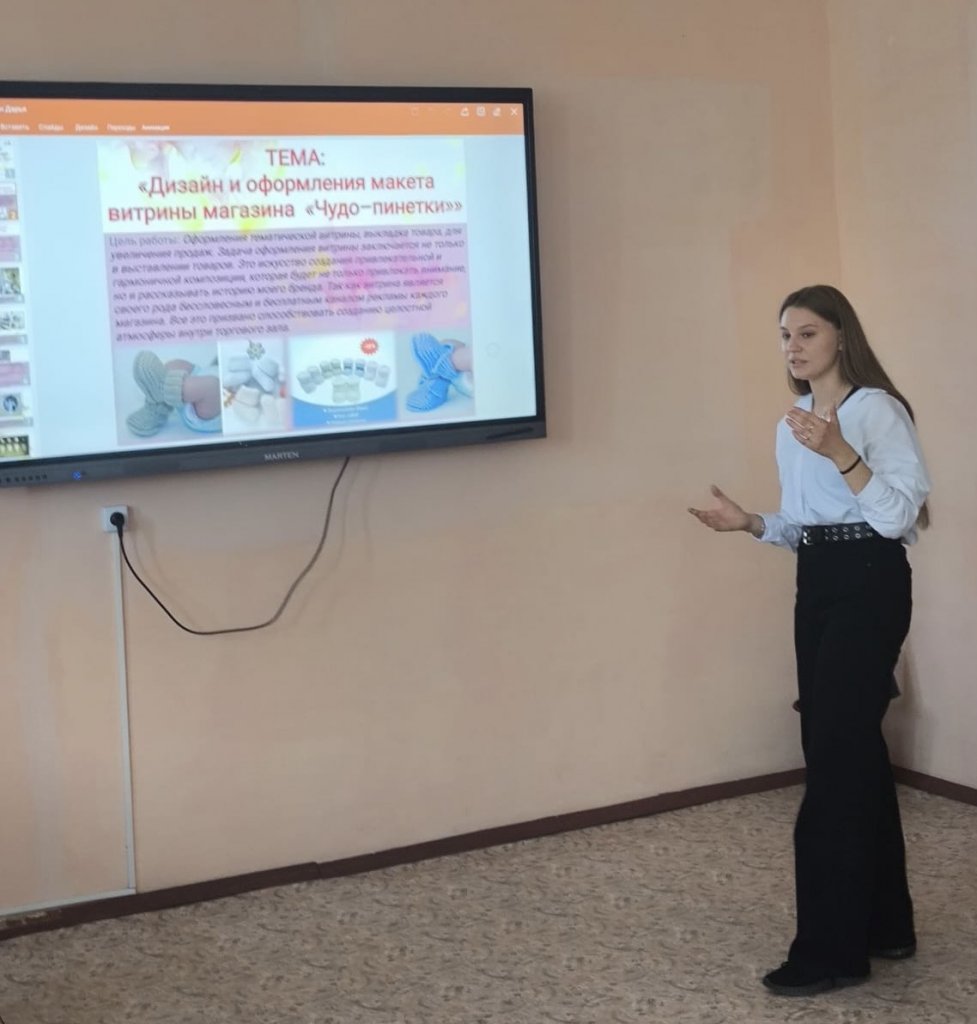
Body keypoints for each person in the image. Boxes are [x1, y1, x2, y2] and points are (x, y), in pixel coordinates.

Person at [688, 284, 930, 997]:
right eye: (785, 336)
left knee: (832, 764)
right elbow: (807, 529)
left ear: (841, 337)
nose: (793, 348)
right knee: (850, 751)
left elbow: (896, 518)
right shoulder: (789, 424)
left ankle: (831, 952)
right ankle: (886, 925)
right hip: (819, 583)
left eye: (807, 334)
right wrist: (751, 523)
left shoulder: (877, 411)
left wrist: (841, 451)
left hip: (870, 582)